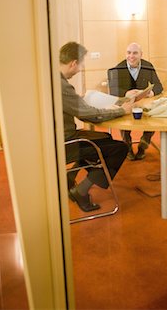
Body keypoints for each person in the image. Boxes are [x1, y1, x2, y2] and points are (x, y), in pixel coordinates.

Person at [60, 41, 134, 212]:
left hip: (59, 138)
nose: (80, 69)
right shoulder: (62, 85)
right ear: (73, 63)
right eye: (80, 65)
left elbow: (72, 105)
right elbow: (89, 115)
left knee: (105, 138)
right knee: (120, 148)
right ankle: (80, 191)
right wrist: (121, 110)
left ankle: (69, 179)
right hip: (64, 142)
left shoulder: (52, 78)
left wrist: (79, 100)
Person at [108, 42, 163, 160]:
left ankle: (144, 144)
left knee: (154, 115)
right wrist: (125, 93)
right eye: (128, 53)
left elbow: (159, 86)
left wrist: (150, 93)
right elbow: (113, 90)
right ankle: (127, 146)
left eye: (135, 53)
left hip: (143, 103)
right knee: (123, 120)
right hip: (126, 104)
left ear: (141, 55)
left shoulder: (148, 66)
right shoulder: (118, 68)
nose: (131, 56)